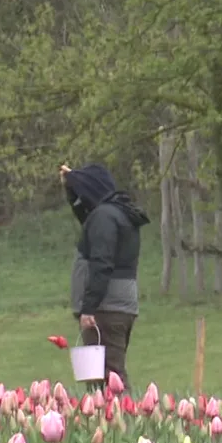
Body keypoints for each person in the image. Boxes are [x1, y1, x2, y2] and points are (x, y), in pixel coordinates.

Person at [61, 162, 150, 389]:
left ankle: (126, 413)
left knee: (108, 380)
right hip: (118, 306)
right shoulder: (115, 215)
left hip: (105, 309)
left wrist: (88, 308)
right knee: (102, 378)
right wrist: (72, 188)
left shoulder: (104, 217)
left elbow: (102, 264)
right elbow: (88, 221)